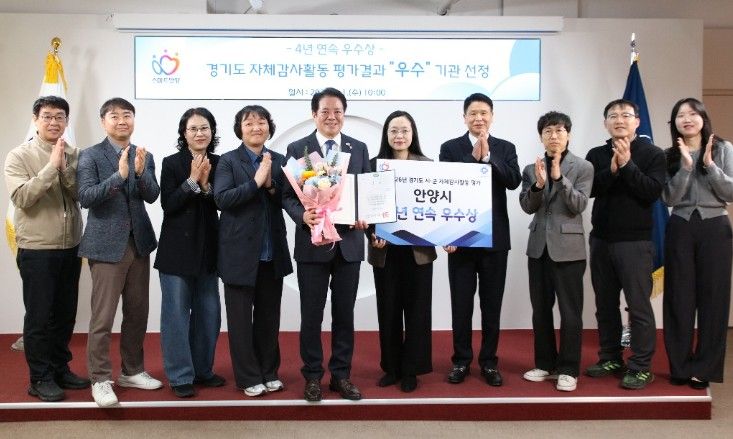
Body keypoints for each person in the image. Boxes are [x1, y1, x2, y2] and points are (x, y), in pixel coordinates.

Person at [282, 87, 370, 401]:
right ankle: (312, 377)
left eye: (337, 112)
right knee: (312, 315)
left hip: (348, 245)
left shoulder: (359, 148)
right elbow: (288, 196)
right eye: (325, 112)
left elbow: (365, 191)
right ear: (314, 114)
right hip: (312, 245)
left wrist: (365, 216)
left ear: (344, 114)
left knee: (344, 314)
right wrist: (301, 216)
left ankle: (341, 376)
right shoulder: (298, 148)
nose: (332, 117)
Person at [77, 97, 163, 407]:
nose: (122, 120)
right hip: (105, 246)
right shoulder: (90, 156)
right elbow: (86, 197)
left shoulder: (144, 154)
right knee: (103, 318)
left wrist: (139, 173)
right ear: (103, 122)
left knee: (137, 312)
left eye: (127, 115)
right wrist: (120, 176)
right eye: (114, 116)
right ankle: (100, 379)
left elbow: (152, 195)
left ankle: (132, 371)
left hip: (138, 244)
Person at [4, 96, 89, 401]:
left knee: (65, 314)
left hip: (71, 246)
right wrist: (52, 167)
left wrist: (65, 169)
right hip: (38, 248)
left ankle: (59, 369)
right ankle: (39, 378)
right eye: (48, 116)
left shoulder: (75, 154)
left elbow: (82, 195)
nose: (54, 122)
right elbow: (22, 198)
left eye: (60, 117)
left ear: (66, 121)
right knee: (39, 316)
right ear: (35, 119)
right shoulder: (19, 155)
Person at [439, 92, 521, 387]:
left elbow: (513, 181)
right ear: (464, 118)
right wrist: (473, 158)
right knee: (461, 305)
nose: (479, 118)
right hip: (460, 239)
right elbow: (446, 184)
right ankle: (461, 360)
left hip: (495, 239)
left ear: (492, 116)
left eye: (484, 113)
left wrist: (487, 158)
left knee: (491, 305)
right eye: (473, 113)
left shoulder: (505, 148)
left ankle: (488, 362)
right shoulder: (450, 148)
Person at [584, 99, 666, 390]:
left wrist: (628, 165)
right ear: (605, 122)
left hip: (635, 243)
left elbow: (652, 191)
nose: (619, 119)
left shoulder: (652, 153)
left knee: (638, 307)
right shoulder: (596, 154)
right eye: (613, 115)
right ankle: (610, 357)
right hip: (601, 240)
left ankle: (641, 366)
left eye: (625, 115)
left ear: (637, 122)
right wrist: (612, 170)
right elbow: (589, 190)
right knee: (605, 305)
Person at [214, 105, 292, 398]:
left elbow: (288, 200)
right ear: (240, 129)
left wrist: (270, 186)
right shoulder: (228, 161)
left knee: (269, 319)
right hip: (238, 255)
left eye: (261, 122)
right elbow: (222, 199)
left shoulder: (280, 160)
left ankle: (269, 372)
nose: (256, 127)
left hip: (272, 252)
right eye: (249, 123)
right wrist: (256, 182)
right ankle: (247, 377)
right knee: (240, 322)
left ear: (269, 127)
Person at [519, 111, 593, 392]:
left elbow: (579, 205)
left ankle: (569, 369)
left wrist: (559, 178)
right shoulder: (531, 168)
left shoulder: (583, 167)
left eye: (559, 131)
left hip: (569, 250)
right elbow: (527, 206)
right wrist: (539, 184)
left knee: (570, 312)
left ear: (568, 135)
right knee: (540, 310)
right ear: (541, 137)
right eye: (548, 131)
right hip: (538, 248)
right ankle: (545, 364)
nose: (554, 136)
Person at [662, 97, 733, 389]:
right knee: (678, 298)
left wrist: (709, 165)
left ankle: (704, 369)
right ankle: (680, 366)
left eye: (693, 113)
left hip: (715, 227)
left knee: (714, 298)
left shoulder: (723, 148)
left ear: (703, 118)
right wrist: (687, 167)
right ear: (675, 123)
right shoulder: (669, 155)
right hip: (680, 226)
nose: (687, 119)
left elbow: (730, 192)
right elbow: (669, 198)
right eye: (681, 115)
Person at [154, 108, 224, 398]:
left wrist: (206, 187)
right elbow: (168, 205)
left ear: (212, 131)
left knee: (209, 314)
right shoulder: (171, 163)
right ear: (184, 134)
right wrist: (192, 180)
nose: (199, 133)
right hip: (177, 252)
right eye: (193, 129)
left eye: (204, 128)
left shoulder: (221, 162)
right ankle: (180, 375)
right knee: (176, 317)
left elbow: (222, 203)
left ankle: (203, 370)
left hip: (209, 249)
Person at [368, 111, 436, 393]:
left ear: (413, 133)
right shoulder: (373, 166)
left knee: (418, 312)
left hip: (418, 251)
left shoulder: (428, 166)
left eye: (405, 130)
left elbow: (437, 207)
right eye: (394, 130)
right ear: (386, 134)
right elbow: (366, 208)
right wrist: (371, 235)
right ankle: (392, 368)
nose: (399, 136)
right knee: (389, 310)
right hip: (385, 250)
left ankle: (411, 370)